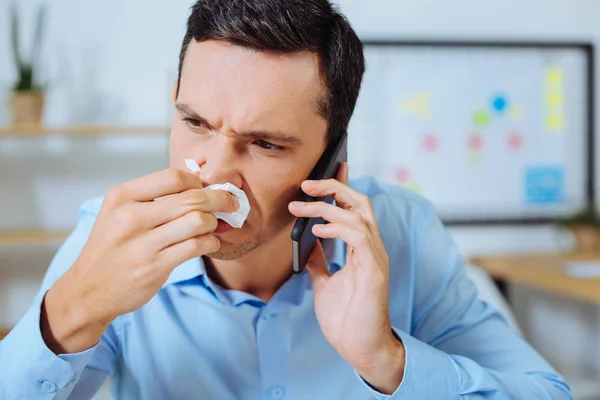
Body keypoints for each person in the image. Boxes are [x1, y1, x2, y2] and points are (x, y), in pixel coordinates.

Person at [0, 1, 573, 399]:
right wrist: (72, 311)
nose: (215, 172)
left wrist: (386, 360)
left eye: (266, 143)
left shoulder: (404, 233)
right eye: (195, 123)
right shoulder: (107, 237)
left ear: (330, 162)